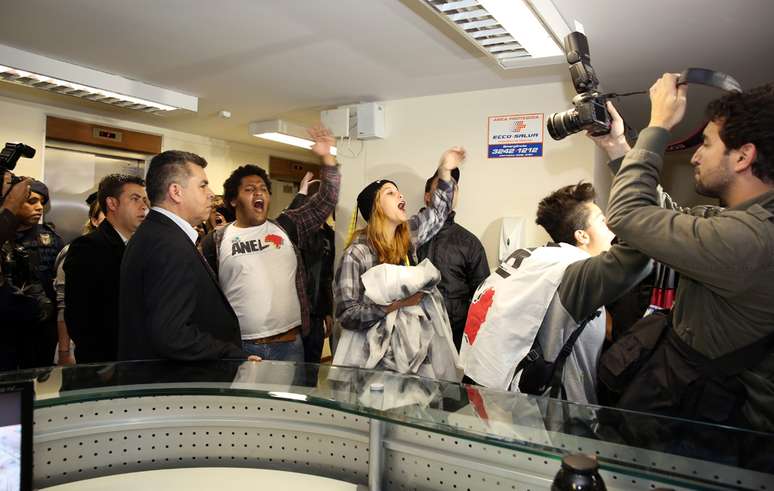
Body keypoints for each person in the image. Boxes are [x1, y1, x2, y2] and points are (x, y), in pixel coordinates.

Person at [600, 77, 774, 431]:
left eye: (706, 144)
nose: (695, 155)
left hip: (710, 426)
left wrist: (659, 124)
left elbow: (629, 215)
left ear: (743, 156)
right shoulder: (746, 222)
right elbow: (665, 217)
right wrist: (618, 146)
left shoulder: (750, 240)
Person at [460, 182, 651, 404]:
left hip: (498, 392)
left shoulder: (538, 258)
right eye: (602, 221)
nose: (611, 227)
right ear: (582, 236)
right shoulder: (576, 271)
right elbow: (639, 261)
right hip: (563, 413)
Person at [201, 126, 339, 362]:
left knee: (287, 400)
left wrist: (328, 157)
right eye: (250, 189)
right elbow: (203, 296)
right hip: (241, 348)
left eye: (264, 189)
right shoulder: (215, 241)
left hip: (290, 346)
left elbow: (326, 200)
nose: (259, 194)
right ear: (233, 199)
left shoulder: (287, 226)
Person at [333, 147, 465, 379]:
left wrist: (445, 172)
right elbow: (347, 313)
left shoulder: (407, 238)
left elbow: (438, 213)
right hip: (368, 360)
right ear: (376, 206)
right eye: (390, 193)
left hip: (408, 353)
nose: (401, 196)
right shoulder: (357, 254)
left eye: (399, 192)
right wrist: (394, 305)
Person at [118, 150, 257, 362]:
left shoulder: (157, 233)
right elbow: (171, 334)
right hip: (173, 383)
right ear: (176, 192)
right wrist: (230, 354)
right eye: (203, 185)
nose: (211, 193)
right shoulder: (167, 244)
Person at [64, 174, 148, 363]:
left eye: (144, 200)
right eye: (135, 199)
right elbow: (79, 314)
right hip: (106, 360)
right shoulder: (88, 247)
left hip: (138, 357)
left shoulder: (142, 246)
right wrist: (99, 363)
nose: (144, 206)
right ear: (112, 203)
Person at [417, 168, 489, 350]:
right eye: (442, 185)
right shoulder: (404, 236)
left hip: (454, 341)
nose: (447, 191)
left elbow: (482, 298)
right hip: (411, 335)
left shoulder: (469, 243)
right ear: (427, 196)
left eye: (453, 188)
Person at [0, 180, 64, 369]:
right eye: (32, 201)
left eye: (42, 203)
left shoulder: (52, 241)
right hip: (6, 333)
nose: (39, 208)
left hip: (40, 333)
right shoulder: (3, 239)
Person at [286, 172, 336, 363]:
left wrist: (327, 311)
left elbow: (326, 276)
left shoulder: (330, 236)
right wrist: (301, 194)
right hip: (295, 315)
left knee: (310, 372)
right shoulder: (299, 232)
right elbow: (286, 226)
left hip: (316, 315)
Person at [52, 193, 105, 365]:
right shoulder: (75, 251)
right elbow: (63, 304)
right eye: (106, 213)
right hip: (76, 346)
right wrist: (64, 351)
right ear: (94, 220)